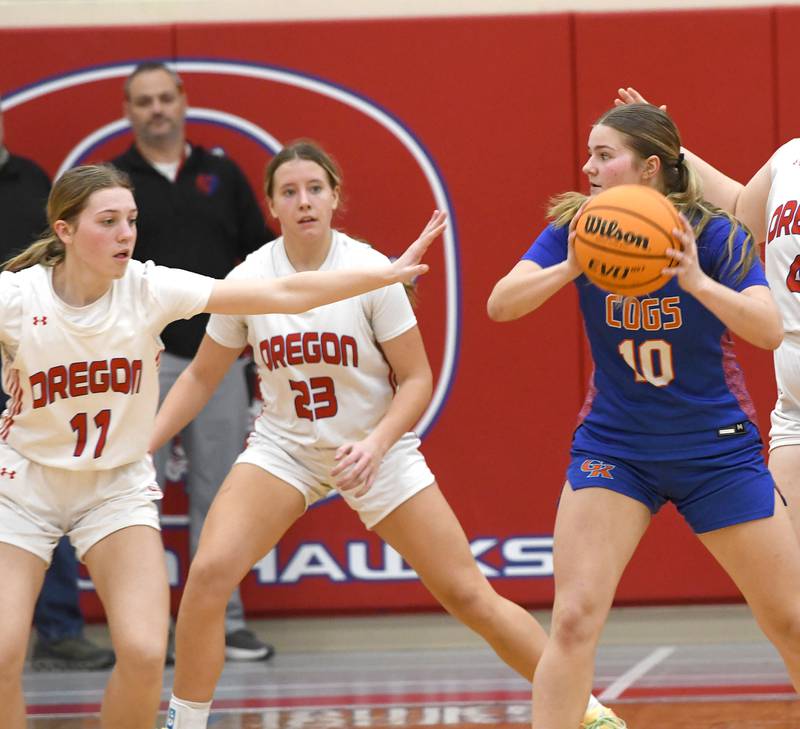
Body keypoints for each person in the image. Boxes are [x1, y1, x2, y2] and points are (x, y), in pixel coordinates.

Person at [152, 140, 624, 729]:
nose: (304, 202)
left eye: (315, 189)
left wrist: (375, 446)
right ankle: (185, 721)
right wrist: (145, 440)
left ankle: (586, 710)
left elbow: (417, 380)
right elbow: (200, 376)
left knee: (469, 596)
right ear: (272, 205)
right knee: (208, 575)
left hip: (377, 449)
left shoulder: (372, 270)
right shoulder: (251, 276)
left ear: (335, 198)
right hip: (286, 449)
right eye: (290, 192)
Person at [0, 162, 444, 729]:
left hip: (112, 487)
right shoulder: (17, 298)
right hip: (24, 485)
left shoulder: (150, 286)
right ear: (64, 231)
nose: (125, 235)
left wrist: (384, 275)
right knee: (5, 654)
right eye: (107, 222)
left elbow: (282, 291)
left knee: (141, 653)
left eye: (131, 221)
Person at [487, 102, 800, 729]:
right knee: (574, 618)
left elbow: (768, 331)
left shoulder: (713, 235)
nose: (588, 166)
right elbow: (500, 304)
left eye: (604, 155)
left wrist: (700, 284)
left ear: (650, 167)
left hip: (717, 451)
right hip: (617, 448)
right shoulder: (577, 228)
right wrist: (572, 266)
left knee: (790, 619)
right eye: (589, 153)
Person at [111, 61, 275, 661]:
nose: (155, 109)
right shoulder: (114, 181)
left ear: (183, 101)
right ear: (128, 110)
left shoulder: (221, 173)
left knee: (222, 492)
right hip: (140, 363)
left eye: (164, 98)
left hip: (221, 355)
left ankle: (219, 622)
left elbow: (256, 261)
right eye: (142, 101)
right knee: (132, 493)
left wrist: (256, 350)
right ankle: (146, 625)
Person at [616, 86, 800, 548]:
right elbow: (741, 214)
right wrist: (670, 152)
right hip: (796, 414)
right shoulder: (789, 159)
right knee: (790, 590)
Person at [0, 93, 114, 671]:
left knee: (46, 480)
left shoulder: (31, 180)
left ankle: (61, 628)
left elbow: (55, 263)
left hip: (32, 358)